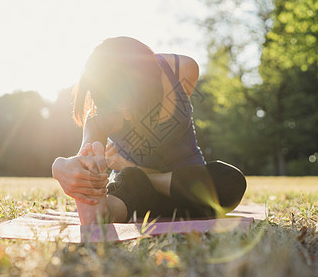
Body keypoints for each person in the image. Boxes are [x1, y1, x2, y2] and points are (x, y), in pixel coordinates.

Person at [52, 36, 246, 224]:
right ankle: (107, 212)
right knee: (130, 182)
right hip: (138, 190)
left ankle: (137, 191)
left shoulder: (182, 70)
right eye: (116, 108)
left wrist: (128, 164)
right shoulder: (99, 118)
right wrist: (60, 167)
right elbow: (85, 162)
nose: (126, 115)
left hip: (190, 185)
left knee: (230, 181)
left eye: (130, 104)